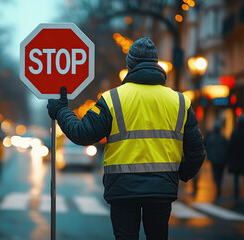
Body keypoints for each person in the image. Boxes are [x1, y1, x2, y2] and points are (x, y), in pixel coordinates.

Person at [47, 37, 206, 240]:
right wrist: (179, 174)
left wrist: (61, 111)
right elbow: (197, 152)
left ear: (130, 65)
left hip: (123, 191)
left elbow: (82, 134)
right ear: (157, 64)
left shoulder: (113, 99)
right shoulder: (180, 102)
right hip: (161, 191)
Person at [227, 115, 244, 200]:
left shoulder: (235, 132)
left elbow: (231, 146)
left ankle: (236, 193)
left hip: (236, 158)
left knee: (236, 177)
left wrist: (229, 157)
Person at [204, 121, 228, 199]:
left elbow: (207, 147)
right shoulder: (223, 138)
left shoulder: (212, 138)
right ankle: (219, 185)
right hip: (222, 159)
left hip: (214, 160)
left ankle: (218, 184)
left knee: (216, 174)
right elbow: (227, 147)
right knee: (220, 174)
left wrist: (209, 157)